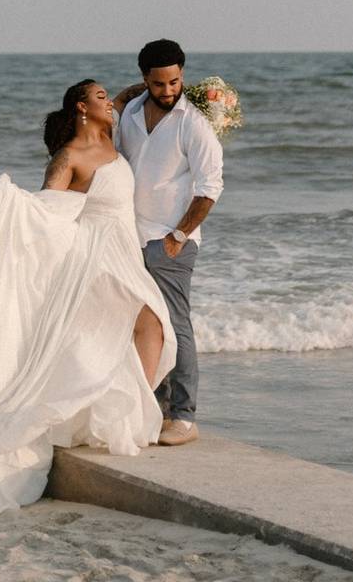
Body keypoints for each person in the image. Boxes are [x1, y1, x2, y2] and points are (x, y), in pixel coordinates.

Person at [0, 79, 177, 529]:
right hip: (95, 252)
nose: (111, 102)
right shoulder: (68, 157)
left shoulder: (110, 134)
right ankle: (132, 417)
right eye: (99, 97)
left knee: (143, 328)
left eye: (108, 97)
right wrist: (13, 211)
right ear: (81, 108)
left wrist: (162, 84)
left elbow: (129, 98)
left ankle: (128, 414)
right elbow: (46, 211)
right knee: (143, 324)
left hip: (125, 247)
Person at [113, 39, 224, 446]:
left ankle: (185, 417)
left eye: (174, 82)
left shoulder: (193, 122)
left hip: (170, 240)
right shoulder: (129, 113)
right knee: (142, 326)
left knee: (176, 325)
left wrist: (178, 237)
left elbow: (211, 186)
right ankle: (154, 408)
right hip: (129, 236)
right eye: (158, 84)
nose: (167, 91)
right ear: (145, 79)